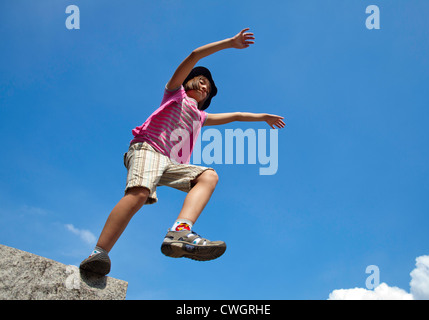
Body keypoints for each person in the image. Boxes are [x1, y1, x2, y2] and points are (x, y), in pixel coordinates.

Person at [80, 28, 285, 276]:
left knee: (208, 175)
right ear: (189, 80)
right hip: (147, 148)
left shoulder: (200, 115)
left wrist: (262, 117)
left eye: (208, 88)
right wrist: (231, 43)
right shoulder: (174, 93)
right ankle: (99, 252)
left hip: (168, 163)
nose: (205, 86)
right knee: (140, 193)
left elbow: (236, 116)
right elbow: (194, 55)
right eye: (202, 81)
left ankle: (180, 230)